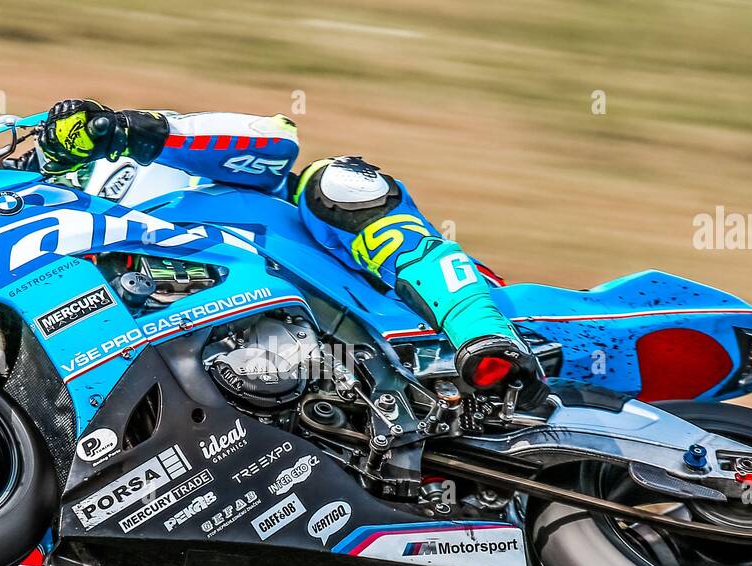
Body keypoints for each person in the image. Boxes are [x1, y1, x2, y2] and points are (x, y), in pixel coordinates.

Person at [33, 99, 547, 407]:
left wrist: (136, 131)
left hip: (370, 300)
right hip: (264, 370)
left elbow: (276, 143)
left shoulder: (118, 164)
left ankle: (484, 332)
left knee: (337, 184)